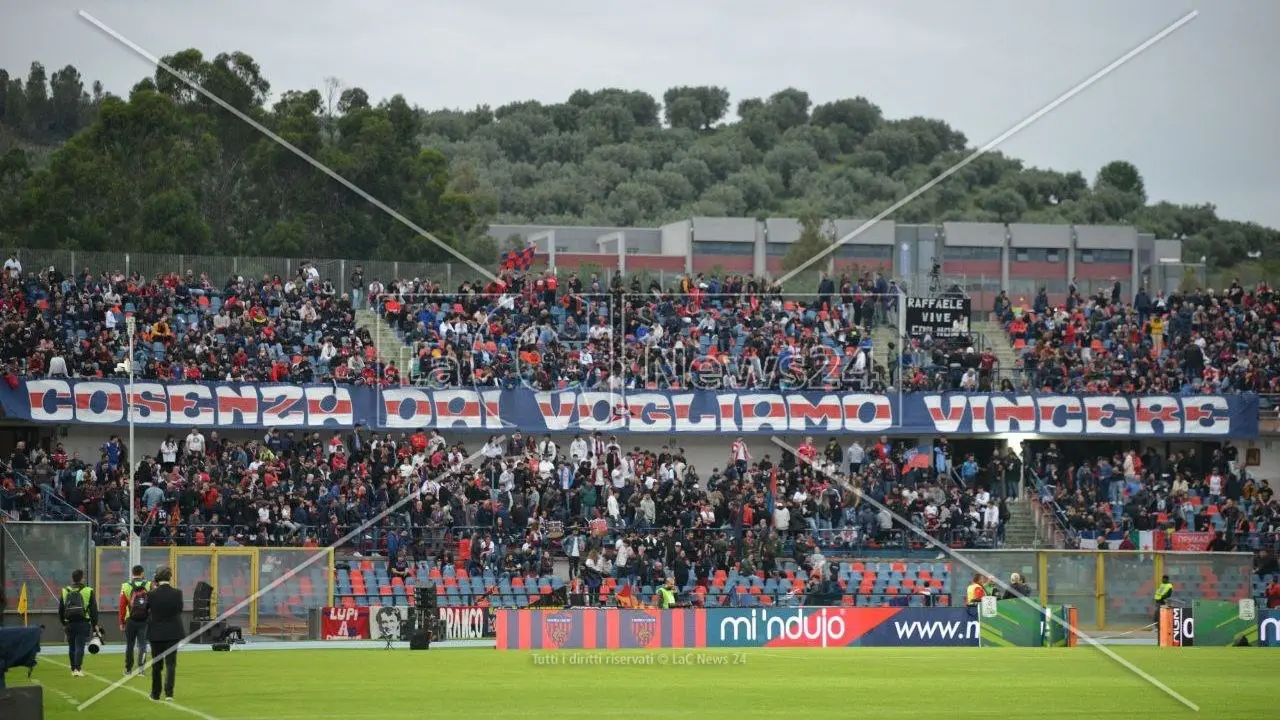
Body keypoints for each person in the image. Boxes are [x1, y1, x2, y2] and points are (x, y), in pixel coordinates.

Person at [146, 567, 184, 701]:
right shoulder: (178, 593)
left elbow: (146, 611)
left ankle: (155, 694)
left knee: (157, 665)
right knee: (171, 664)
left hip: (156, 632)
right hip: (173, 632)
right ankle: (169, 694)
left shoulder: (151, 594)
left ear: (157, 579)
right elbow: (179, 609)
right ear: (169, 577)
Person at [58, 569, 99, 677]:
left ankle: (72, 669)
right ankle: (78, 668)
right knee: (80, 646)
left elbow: (61, 609)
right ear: (82, 578)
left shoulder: (65, 590)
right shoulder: (89, 590)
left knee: (71, 646)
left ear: (72, 578)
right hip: (83, 622)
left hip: (69, 623)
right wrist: (95, 624)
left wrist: (63, 623)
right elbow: (94, 610)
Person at [118, 564, 152, 677]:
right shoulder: (148, 585)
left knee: (130, 645)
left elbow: (122, 606)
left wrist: (121, 622)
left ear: (132, 573)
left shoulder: (125, 586)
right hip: (144, 619)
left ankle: (128, 669)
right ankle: (141, 669)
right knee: (142, 645)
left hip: (130, 620)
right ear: (142, 573)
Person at [1153, 574, 1174, 639]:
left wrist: (1162, 598)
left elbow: (1169, 594)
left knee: (1159, 614)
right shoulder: (1162, 584)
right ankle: (1157, 627)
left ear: (1167, 579)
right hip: (1158, 601)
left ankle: (1160, 627)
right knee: (1157, 614)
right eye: (1163, 578)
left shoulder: (1169, 585)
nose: (1163, 580)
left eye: (1165, 579)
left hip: (1163, 601)